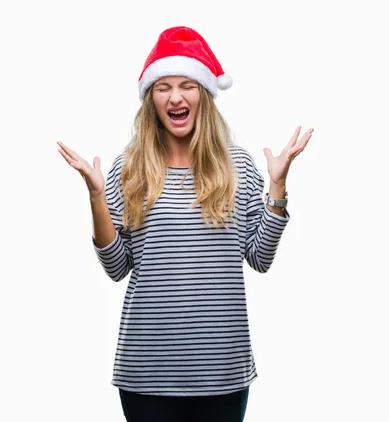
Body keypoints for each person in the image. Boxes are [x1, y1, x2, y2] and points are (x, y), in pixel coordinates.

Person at [57, 25, 313, 422]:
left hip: (222, 373)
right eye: (163, 87)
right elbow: (116, 268)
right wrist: (95, 198)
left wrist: (277, 187)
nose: (176, 96)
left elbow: (260, 258)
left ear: (204, 95)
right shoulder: (129, 168)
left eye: (187, 85)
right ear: (151, 100)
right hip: (147, 373)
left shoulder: (238, 165)